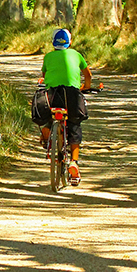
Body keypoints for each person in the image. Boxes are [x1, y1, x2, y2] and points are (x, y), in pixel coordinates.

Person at [37, 28, 93, 185]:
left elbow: (44, 76)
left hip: (52, 94)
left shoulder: (48, 57)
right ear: (70, 42)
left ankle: (47, 135)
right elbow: (87, 75)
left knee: (47, 115)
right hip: (72, 95)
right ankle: (74, 162)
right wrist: (86, 87)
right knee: (74, 124)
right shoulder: (76, 55)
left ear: (53, 43)